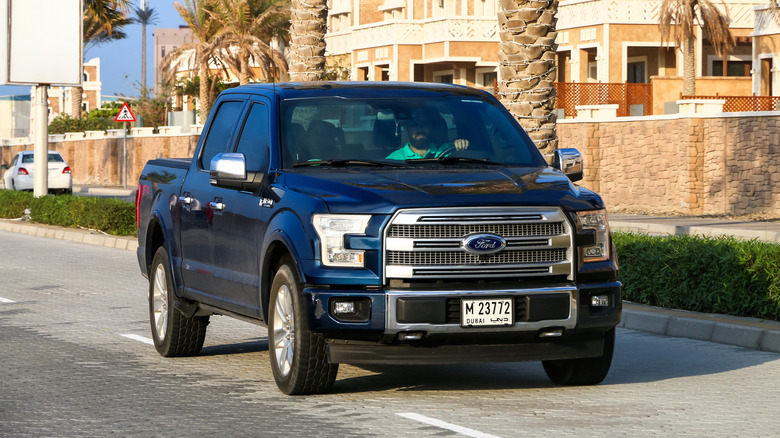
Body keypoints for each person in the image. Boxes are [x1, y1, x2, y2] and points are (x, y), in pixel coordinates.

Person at [385, 112, 468, 160]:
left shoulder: (447, 150)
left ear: (431, 127)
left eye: (424, 124)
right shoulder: (394, 158)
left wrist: (461, 144)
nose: (420, 129)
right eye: (414, 125)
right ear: (406, 128)